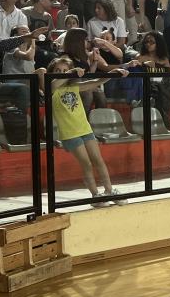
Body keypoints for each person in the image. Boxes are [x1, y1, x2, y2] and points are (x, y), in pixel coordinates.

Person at [47, 56, 128, 207]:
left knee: (98, 160)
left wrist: (112, 73)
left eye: (64, 70)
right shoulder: (51, 89)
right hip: (70, 133)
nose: (62, 72)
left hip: (85, 129)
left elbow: (94, 82)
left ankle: (109, 191)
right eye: (58, 70)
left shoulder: (72, 87)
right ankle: (95, 196)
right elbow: (54, 83)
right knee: (87, 164)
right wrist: (70, 72)